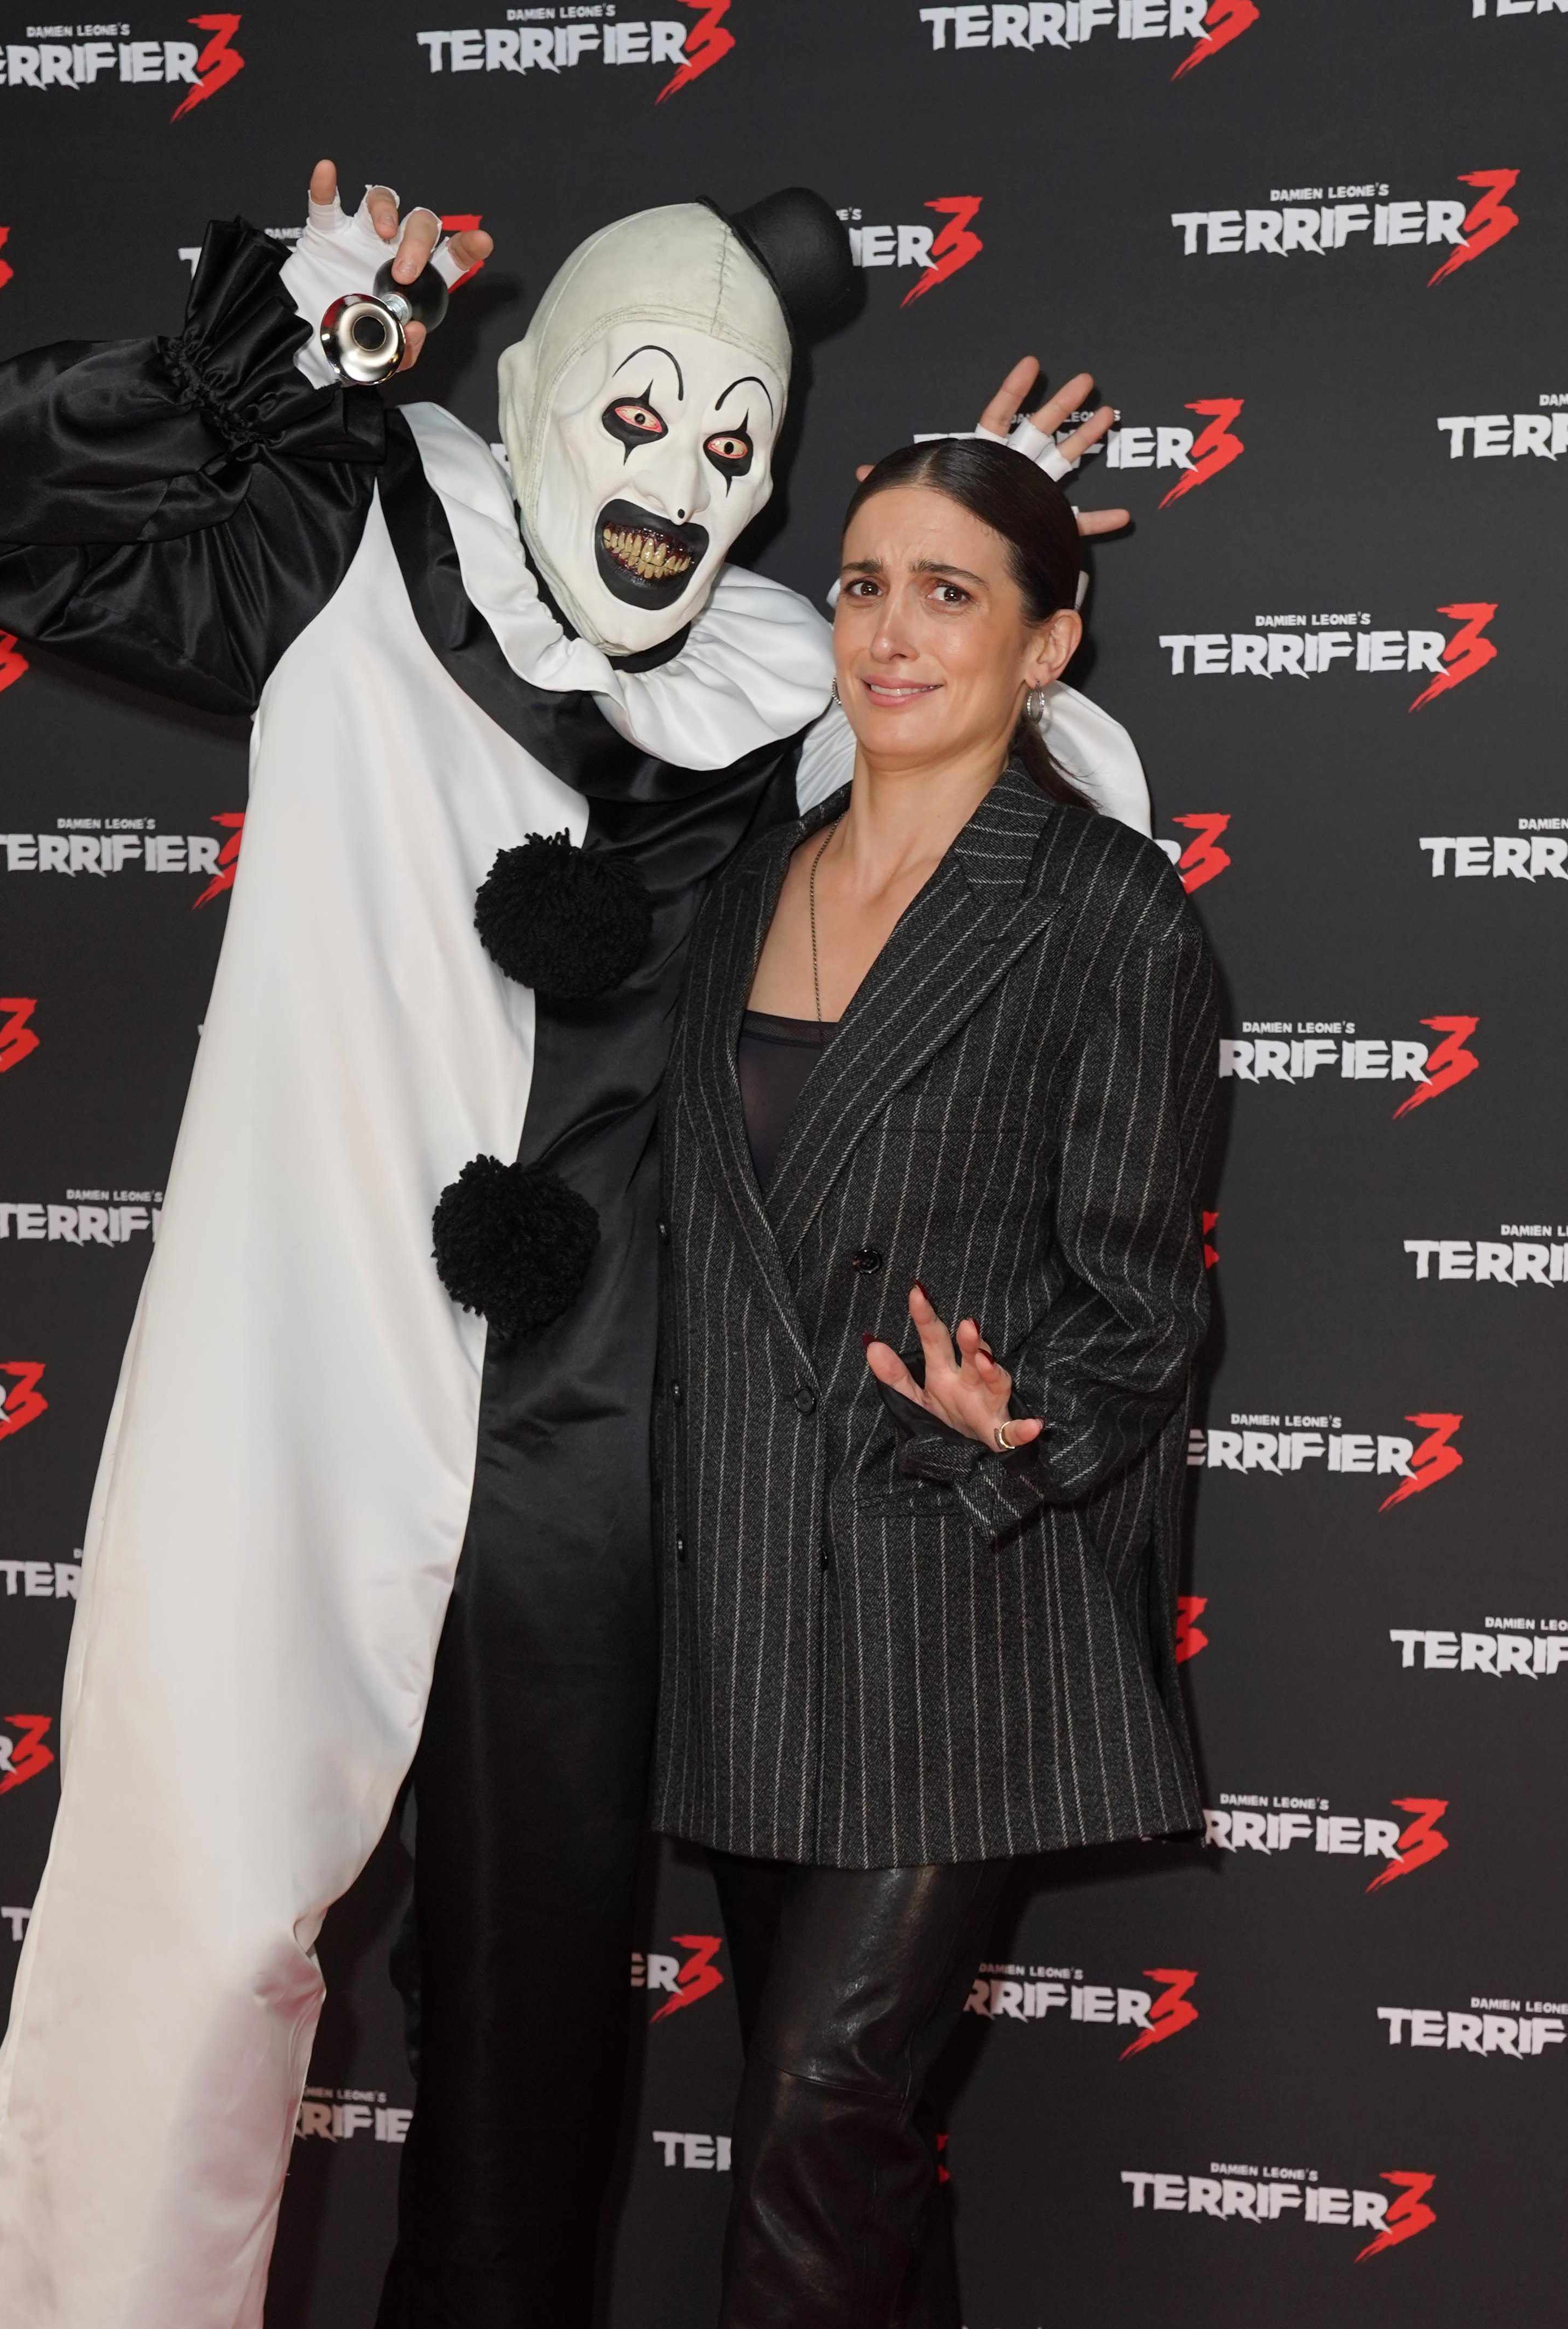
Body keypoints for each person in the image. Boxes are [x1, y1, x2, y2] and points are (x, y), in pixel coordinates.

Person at [0, 163, 1140, 2329]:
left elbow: (1018, 834)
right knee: (186, 1935)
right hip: (299, 1382)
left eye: (736, 443)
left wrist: (983, 546)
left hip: (603, 1452)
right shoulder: (355, 552)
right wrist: (252, 349)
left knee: (533, 2027)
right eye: (639, 414)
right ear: (538, 391)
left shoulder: (779, 696)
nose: (681, 479)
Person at [652, 436, 1223, 2327]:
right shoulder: (739, 887)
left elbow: (1144, 1309)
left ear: (1047, 644)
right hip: (748, 1607)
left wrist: (1018, 1420)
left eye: (950, 591)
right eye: (862, 584)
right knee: (843, 2140)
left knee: (815, 2114)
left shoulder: (1108, 913)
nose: (890, 631)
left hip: (960, 1604)